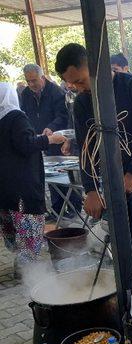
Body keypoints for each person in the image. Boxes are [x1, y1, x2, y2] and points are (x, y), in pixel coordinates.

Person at [56, 43, 132, 283]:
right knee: (122, 243)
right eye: (70, 83)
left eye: (80, 81)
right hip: (110, 179)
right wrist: (91, 190)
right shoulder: (83, 102)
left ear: (95, 67)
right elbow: (86, 150)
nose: (76, 87)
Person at [0, 83, 66, 276]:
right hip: (22, 182)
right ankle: (27, 270)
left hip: (5, 184)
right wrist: (50, 140)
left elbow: (14, 143)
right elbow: (26, 145)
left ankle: (21, 260)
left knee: (13, 221)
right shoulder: (16, 117)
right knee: (29, 222)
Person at [20, 64, 83, 220]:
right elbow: (25, 115)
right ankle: (57, 209)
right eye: (28, 81)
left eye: (34, 80)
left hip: (59, 139)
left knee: (67, 174)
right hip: (40, 139)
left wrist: (51, 127)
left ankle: (75, 207)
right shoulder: (26, 94)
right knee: (51, 175)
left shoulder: (56, 92)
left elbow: (63, 116)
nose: (31, 84)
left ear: (42, 77)